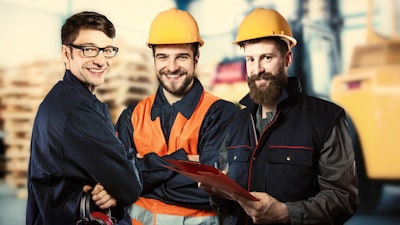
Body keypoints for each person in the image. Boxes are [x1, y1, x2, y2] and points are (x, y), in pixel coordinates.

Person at [200, 8, 359, 225]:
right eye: (250, 60)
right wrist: (216, 191)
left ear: (287, 59)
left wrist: (285, 212)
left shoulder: (326, 119)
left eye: (267, 58)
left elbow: (344, 199)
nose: (257, 69)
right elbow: (228, 204)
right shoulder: (237, 122)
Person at [115, 7, 238, 225]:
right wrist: (185, 161)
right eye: (163, 57)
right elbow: (118, 178)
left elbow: (214, 191)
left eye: (181, 57)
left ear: (196, 58)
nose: (171, 67)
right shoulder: (132, 116)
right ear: (153, 58)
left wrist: (143, 168)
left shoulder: (220, 114)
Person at [26, 11, 142, 225]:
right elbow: (130, 186)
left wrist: (111, 187)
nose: (101, 61)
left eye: (107, 50)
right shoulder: (78, 112)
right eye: (89, 50)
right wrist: (118, 182)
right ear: (66, 53)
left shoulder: (58, 99)